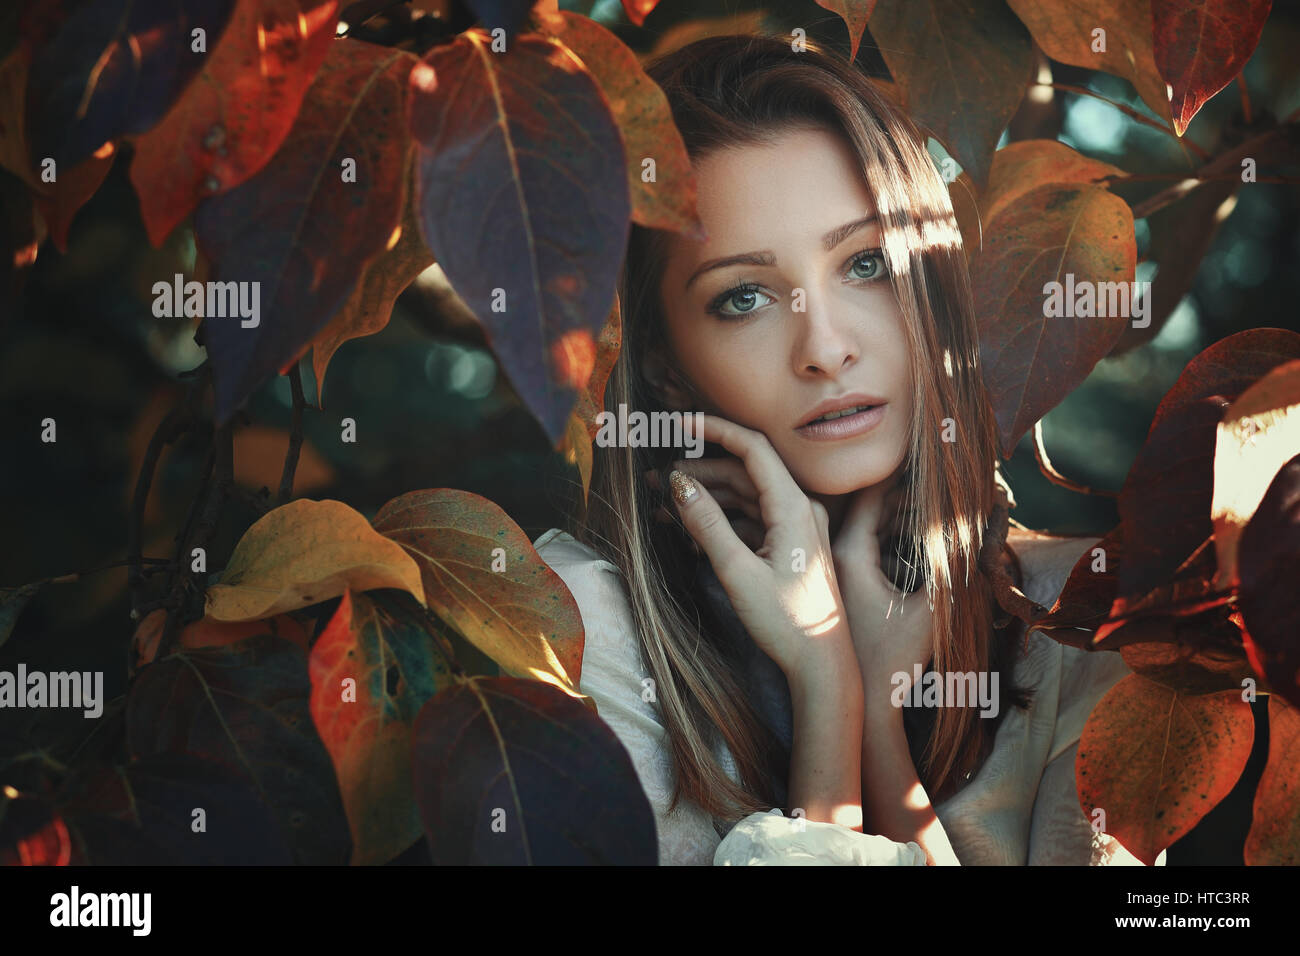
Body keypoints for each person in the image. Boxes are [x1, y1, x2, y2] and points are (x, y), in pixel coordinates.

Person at [533, 33, 1140, 865]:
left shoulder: (1087, 619)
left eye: (868, 262)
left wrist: (877, 732)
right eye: (743, 296)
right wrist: (829, 684)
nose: (824, 347)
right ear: (666, 369)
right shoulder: (583, 632)